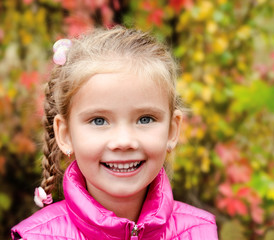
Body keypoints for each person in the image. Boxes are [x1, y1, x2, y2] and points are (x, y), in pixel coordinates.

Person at [11, 26, 218, 240]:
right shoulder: (36, 236)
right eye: (99, 121)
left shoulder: (200, 231)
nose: (124, 141)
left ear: (172, 130)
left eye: (145, 119)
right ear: (65, 135)